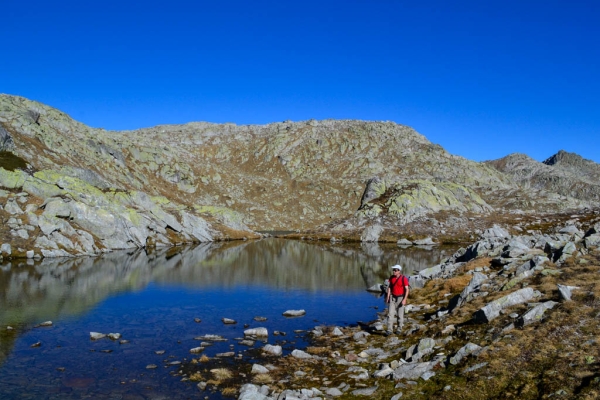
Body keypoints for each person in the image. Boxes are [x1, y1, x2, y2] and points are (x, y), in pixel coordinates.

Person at [385, 264, 409, 335]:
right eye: (393, 270)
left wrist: (404, 299)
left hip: (401, 298)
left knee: (400, 315)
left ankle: (399, 329)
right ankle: (389, 330)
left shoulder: (403, 278)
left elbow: (407, 289)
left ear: (399, 271)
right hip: (393, 297)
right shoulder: (391, 278)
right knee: (390, 314)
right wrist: (388, 297)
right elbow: (389, 287)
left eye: (395, 270)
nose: (394, 271)